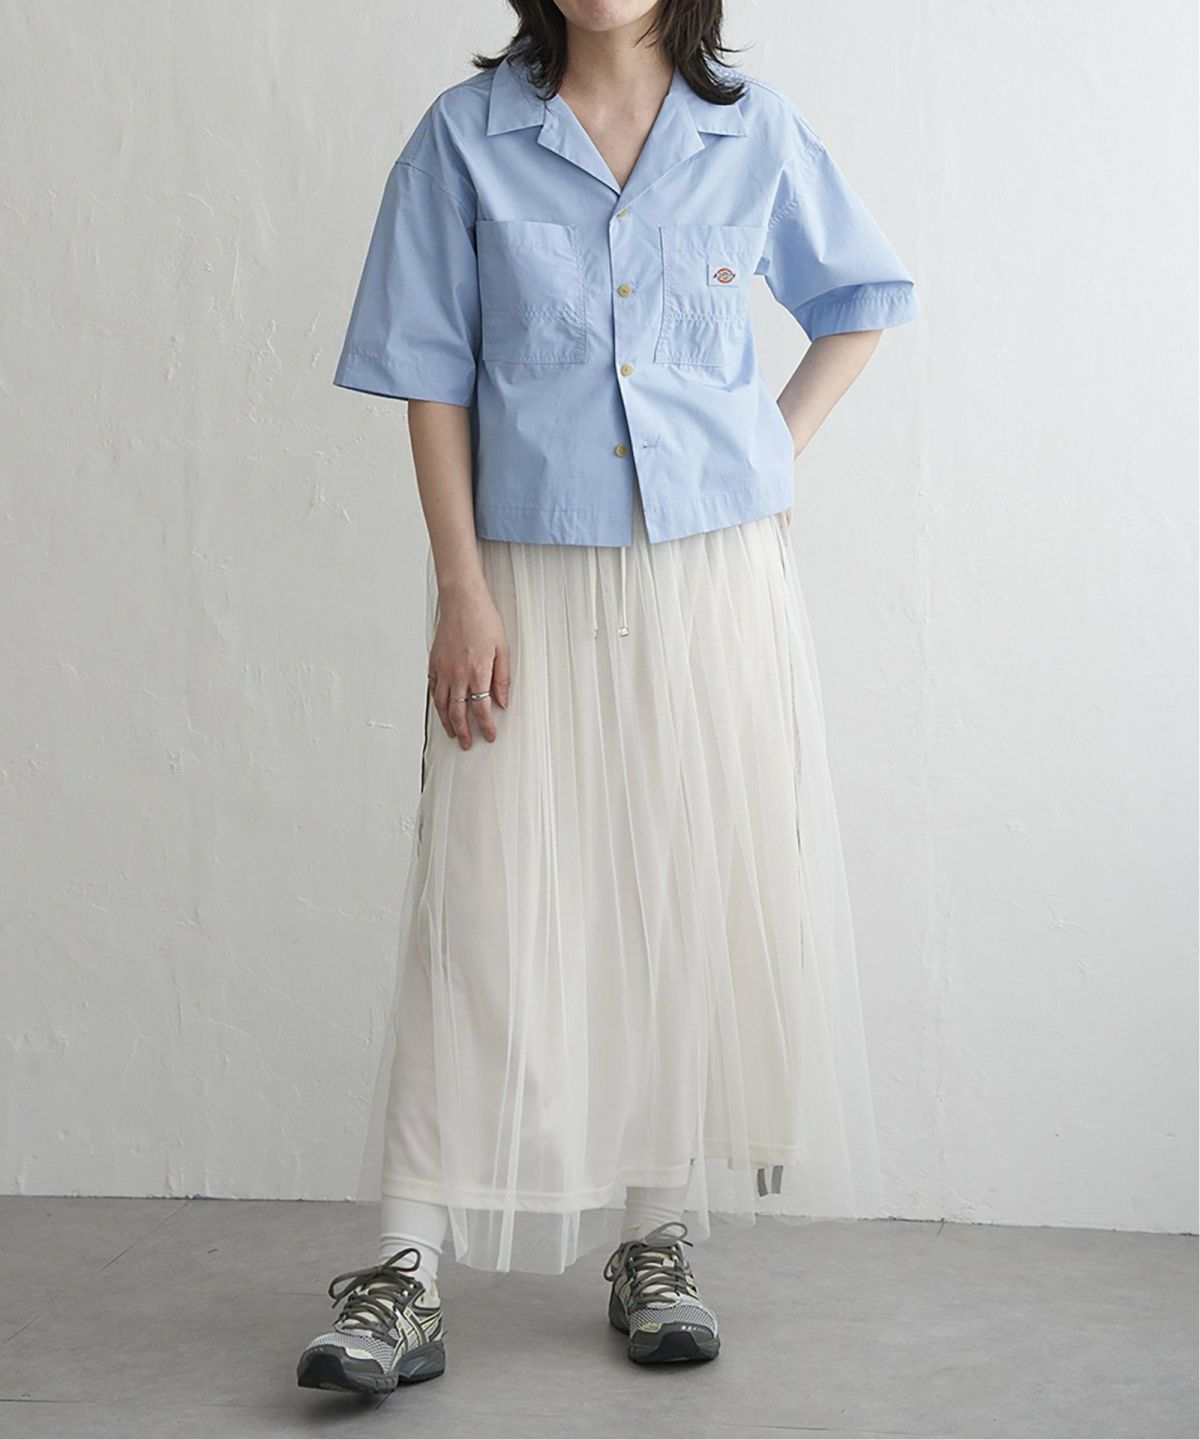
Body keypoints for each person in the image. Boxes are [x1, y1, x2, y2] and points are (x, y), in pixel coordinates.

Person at [297, 0, 919, 1395]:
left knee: (679, 889)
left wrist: (769, 452)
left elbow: (862, 299)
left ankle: (657, 1235)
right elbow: (428, 374)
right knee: (479, 905)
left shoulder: (754, 135)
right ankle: (403, 1268)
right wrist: (462, 588)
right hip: (526, 571)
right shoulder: (466, 138)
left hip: (712, 573)